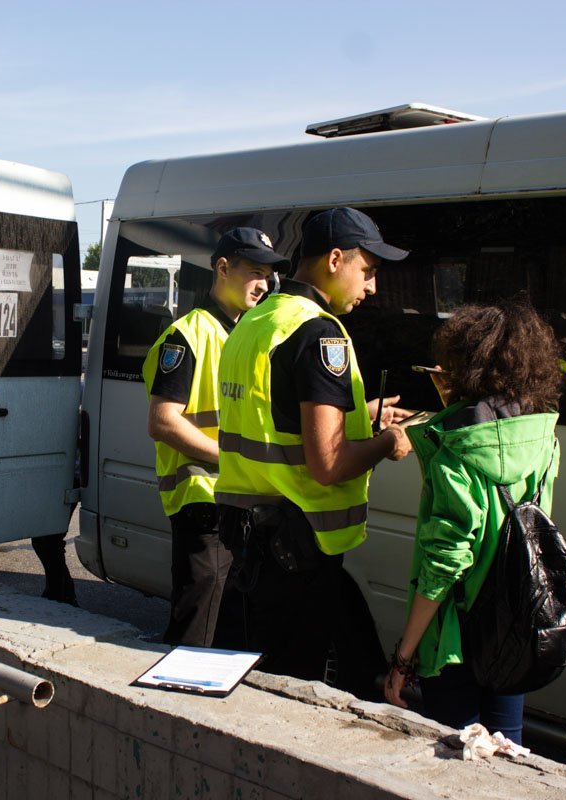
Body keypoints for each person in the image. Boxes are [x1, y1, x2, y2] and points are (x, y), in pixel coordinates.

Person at [214, 207, 413, 694]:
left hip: (248, 540)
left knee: (249, 685)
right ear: (336, 258)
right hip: (296, 551)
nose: (371, 288)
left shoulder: (256, 321)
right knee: (289, 698)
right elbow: (327, 466)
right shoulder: (320, 333)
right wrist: (387, 441)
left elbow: (274, 417)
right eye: (367, 272)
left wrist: (360, 415)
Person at [384, 302, 563, 745]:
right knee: (508, 757)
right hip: (516, 627)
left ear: (465, 366)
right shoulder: (544, 440)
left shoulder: (454, 451)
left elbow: (444, 565)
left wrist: (403, 658)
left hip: (454, 641)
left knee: (453, 763)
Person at [142, 227, 286, 646]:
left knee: (224, 631)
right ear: (223, 268)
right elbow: (163, 422)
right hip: (202, 505)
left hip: (236, 502)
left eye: (269, 274)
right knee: (196, 634)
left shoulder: (244, 335)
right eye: (255, 272)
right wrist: (234, 461)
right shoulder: (187, 334)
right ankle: (170, 706)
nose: (265, 284)